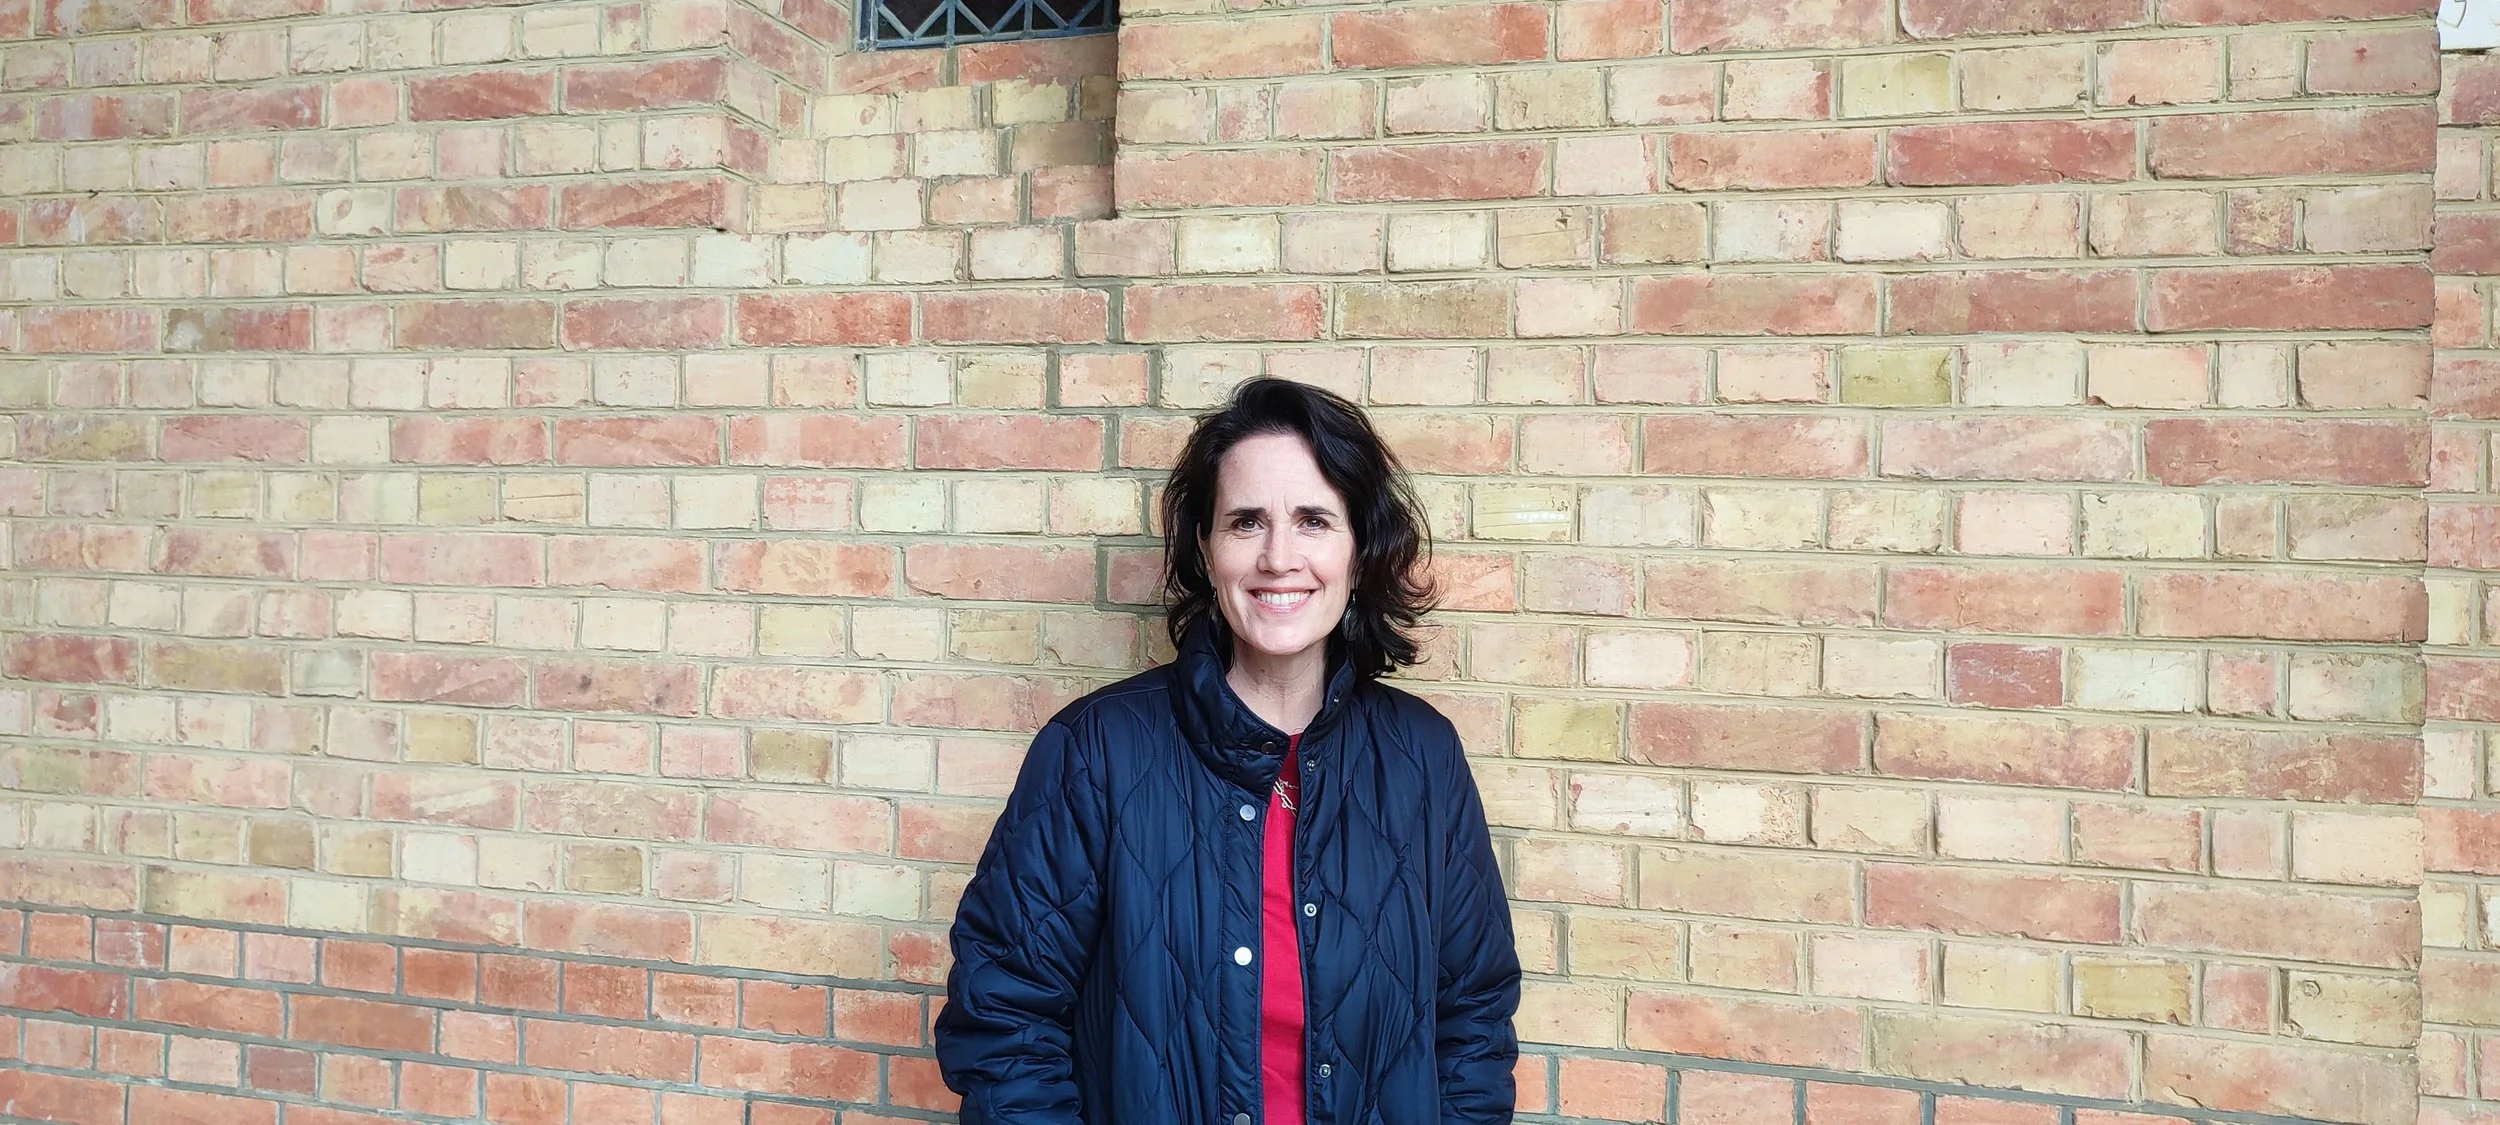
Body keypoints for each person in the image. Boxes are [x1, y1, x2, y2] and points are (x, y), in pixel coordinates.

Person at [934, 378, 1521, 1124]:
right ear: (1207, 552)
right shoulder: (1096, 751)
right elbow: (1004, 1017)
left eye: (1313, 520)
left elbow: (1473, 1018)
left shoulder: (1423, 758)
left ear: (1359, 551)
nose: (1279, 557)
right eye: (1246, 522)